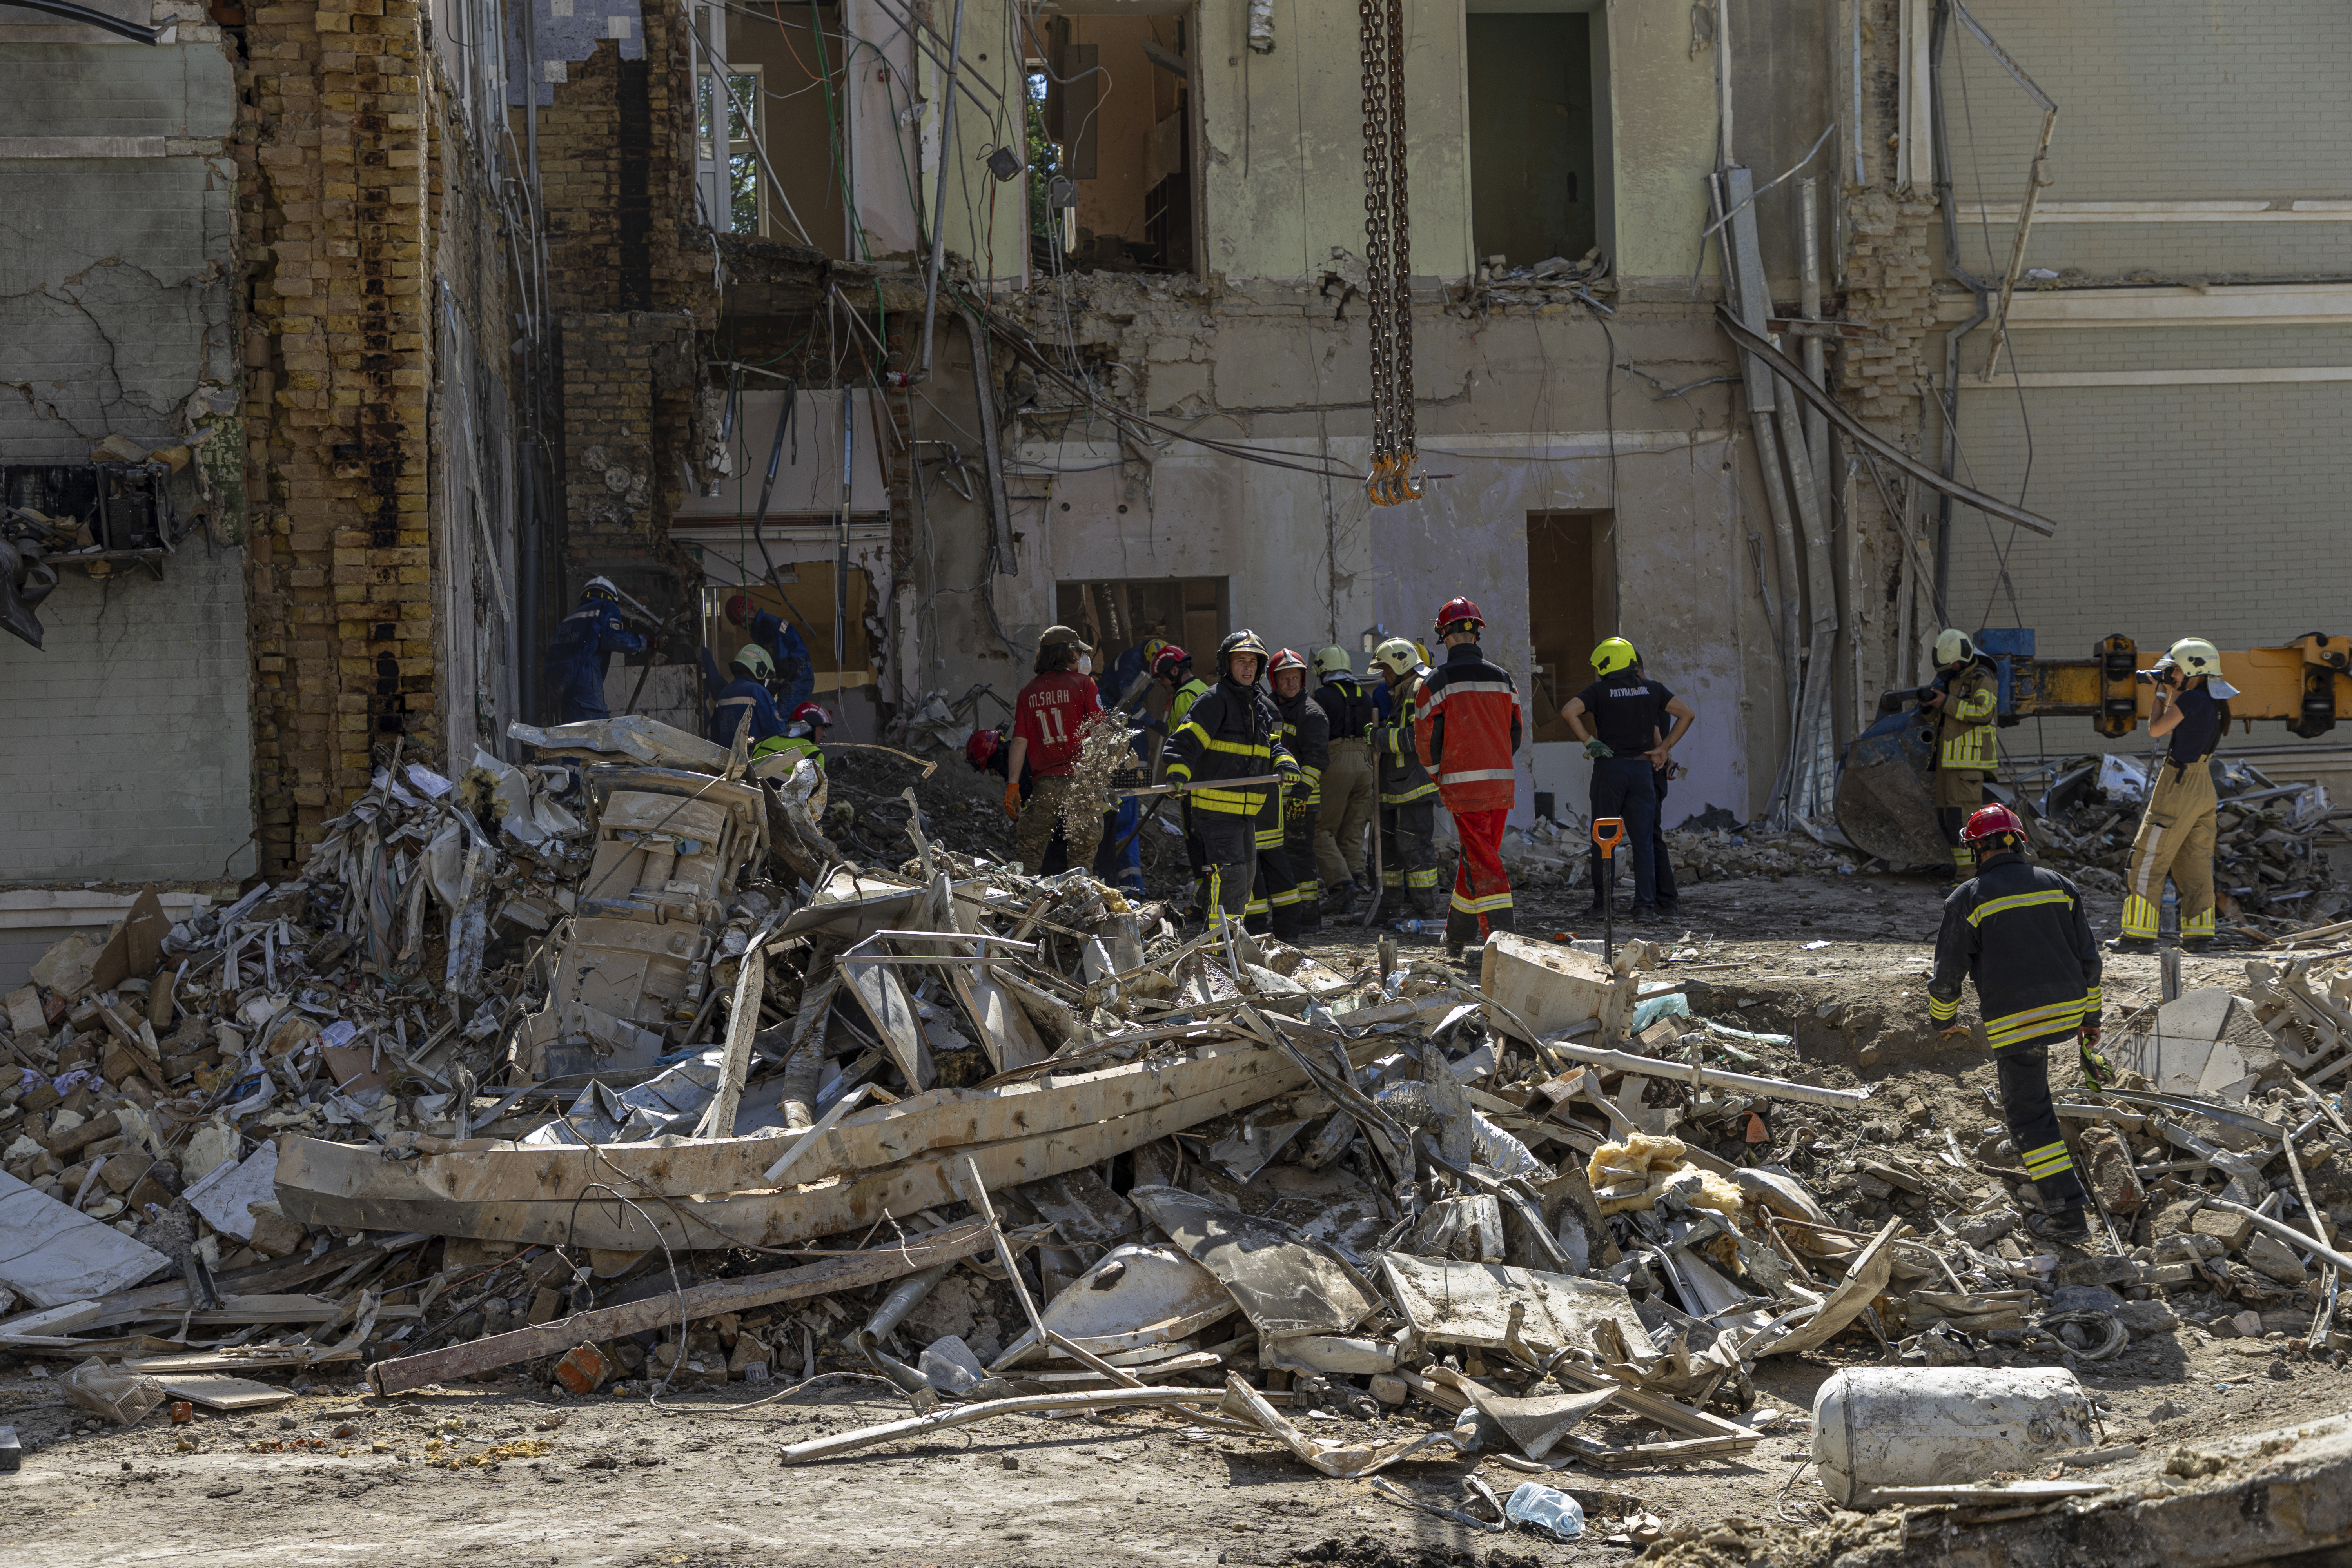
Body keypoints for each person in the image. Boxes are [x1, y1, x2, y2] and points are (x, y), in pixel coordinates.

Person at [1928, 803, 2107, 1243]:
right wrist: (2091, 1019)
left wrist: (1943, 1022)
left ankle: (2067, 1214)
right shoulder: (2060, 886)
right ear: (2019, 842)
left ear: (1977, 850)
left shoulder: (1968, 898)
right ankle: (2027, 1151)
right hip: (2068, 1008)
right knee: (2034, 1099)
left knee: (2031, 1117)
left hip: (2018, 1019)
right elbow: (2089, 959)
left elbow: (1947, 974)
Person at [1164, 630, 1299, 931]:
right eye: (1241, 661)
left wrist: (1285, 760)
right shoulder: (1214, 700)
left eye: (1253, 661)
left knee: (1246, 879)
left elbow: (1272, 744)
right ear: (1227, 665)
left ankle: (1229, 943)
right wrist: (1178, 771)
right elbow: (1184, 742)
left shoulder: (1258, 706)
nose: (1248, 667)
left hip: (1247, 812)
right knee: (1230, 878)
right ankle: (1215, 951)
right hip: (1216, 812)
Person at [1415, 597, 1523, 957]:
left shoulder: (1435, 682)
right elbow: (1516, 733)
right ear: (1477, 632)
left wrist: (1440, 777)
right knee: (1477, 857)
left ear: (1443, 635)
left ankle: (1503, 944)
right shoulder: (1503, 679)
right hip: (1500, 784)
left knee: (1484, 861)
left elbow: (1425, 742)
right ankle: (1457, 937)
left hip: (1463, 788)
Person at [1559, 638, 1693, 923]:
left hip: (1611, 771)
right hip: (1643, 773)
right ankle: (1644, 907)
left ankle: (1603, 905)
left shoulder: (1600, 691)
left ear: (1608, 664)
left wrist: (1589, 742)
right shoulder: (1653, 689)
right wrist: (1664, 749)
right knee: (1644, 842)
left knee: (1604, 840)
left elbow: (1568, 711)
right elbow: (1687, 714)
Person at [2115, 637, 2234, 953]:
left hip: (2178, 784)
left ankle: (2138, 936)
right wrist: (2171, 691)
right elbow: (2174, 727)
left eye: (2175, 670)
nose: (2172, 675)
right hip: (2203, 786)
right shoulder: (2210, 701)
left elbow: (2157, 729)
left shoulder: (2191, 700)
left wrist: (2159, 692)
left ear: (2194, 669)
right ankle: (2199, 936)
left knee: (2148, 857)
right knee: (2193, 860)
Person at [1006, 625, 1107, 875]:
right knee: (1082, 852)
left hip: (1046, 784)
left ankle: (1015, 905)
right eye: (1076, 653)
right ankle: (1082, 902)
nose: (1080, 658)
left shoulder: (1028, 692)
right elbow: (1100, 733)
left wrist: (1013, 785)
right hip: (1081, 782)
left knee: (1029, 851)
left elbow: (1019, 741)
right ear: (1066, 654)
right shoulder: (1085, 684)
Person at [1370, 636, 1442, 920]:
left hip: (1414, 789)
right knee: (1389, 851)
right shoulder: (1403, 689)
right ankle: (1388, 908)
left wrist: (1378, 737)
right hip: (1397, 789)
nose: (1384, 675)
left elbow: (1418, 739)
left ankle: (1427, 913)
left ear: (1402, 664)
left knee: (1415, 852)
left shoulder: (1418, 689)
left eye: (1386, 668)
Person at [1923, 628, 2000, 882]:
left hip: (1968, 763)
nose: (1949, 668)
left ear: (1964, 658)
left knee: (1963, 821)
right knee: (1948, 821)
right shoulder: (1953, 680)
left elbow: (1984, 712)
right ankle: (1963, 874)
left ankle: (1970, 878)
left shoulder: (1982, 677)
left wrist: (1947, 702)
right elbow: (1944, 719)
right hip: (1948, 761)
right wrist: (1930, 706)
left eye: (1952, 664)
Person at [1310, 646, 1378, 918]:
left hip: (1336, 760)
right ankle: (1352, 889)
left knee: (1321, 830)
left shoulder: (1321, 696)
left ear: (1322, 669)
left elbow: (1315, 730)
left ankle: (1342, 886)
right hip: (1365, 764)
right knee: (1352, 829)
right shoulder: (1365, 696)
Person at [1264, 648, 1328, 937]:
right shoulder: (1269, 708)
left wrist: (1302, 793)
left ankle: (1309, 917)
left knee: (1299, 857)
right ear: (1273, 681)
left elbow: (1317, 760)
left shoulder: (1311, 713)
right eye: (1285, 679)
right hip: (1276, 798)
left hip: (1301, 799)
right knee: (1282, 858)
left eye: (1295, 678)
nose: (1291, 684)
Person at [545, 576, 646, 723]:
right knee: (597, 730)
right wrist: (645, 641)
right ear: (612, 598)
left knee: (575, 731)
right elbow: (614, 637)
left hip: (556, 683)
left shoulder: (571, 617)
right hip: (583, 678)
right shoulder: (606, 606)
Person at [723, 593, 816, 715]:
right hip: (796, 675)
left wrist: (766, 693)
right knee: (782, 717)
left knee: (783, 719)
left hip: (797, 676)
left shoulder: (769, 627)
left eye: (743, 621)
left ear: (751, 611)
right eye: (739, 624)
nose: (744, 626)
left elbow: (781, 668)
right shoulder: (764, 627)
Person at [706, 642, 787, 748]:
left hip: (727, 761)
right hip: (755, 761)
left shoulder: (723, 694)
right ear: (759, 668)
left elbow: (715, 735)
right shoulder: (758, 691)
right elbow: (776, 731)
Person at [753, 700, 831, 772]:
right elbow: (815, 786)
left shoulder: (764, 743)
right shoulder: (815, 754)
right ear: (810, 727)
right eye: (823, 728)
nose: (825, 735)